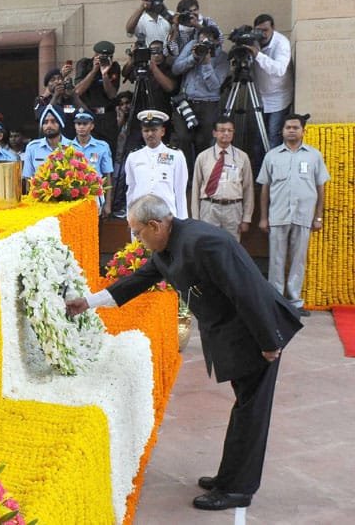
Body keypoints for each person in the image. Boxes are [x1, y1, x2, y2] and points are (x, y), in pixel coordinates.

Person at [65, 194, 303, 512]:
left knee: (252, 412)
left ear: (155, 225)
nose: (137, 239)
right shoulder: (168, 245)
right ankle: (228, 478)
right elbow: (138, 280)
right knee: (245, 407)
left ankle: (238, 489)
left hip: (256, 331)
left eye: (138, 232)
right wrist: (89, 302)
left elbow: (245, 288)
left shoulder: (203, 242)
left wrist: (268, 340)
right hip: (236, 331)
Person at [257, 114, 329, 317]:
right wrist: (263, 217)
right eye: (288, 127)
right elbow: (265, 188)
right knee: (276, 259)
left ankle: (295, 301)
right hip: (278, 215)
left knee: (298, 259)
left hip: (304, 215)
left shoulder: (314, 156)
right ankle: (276, 299)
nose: (291, 130)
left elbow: (320, 187)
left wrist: (318, 216)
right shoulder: (272, 156)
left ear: (303, 131)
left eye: (295, 127)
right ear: (282, 130)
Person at [171, 24, 227, 171]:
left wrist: (207, 63)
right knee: (182, 138)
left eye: (207, 43)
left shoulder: (221, 57)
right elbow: (176, 69)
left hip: (208, 104)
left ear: (216, 42)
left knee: (203, 141)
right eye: (201, 42)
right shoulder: (192, 46)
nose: (203, 46)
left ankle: (202, 176)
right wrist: (194, 57)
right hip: (186, 102)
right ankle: (186, 176)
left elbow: (215, 86)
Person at [191, 116, 254, 241]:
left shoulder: (242, 157)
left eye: (230, 130)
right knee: (208, 245)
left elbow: (248, 188)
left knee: (232, 248)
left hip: (233, 208)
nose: (226, 133)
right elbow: (196, 188)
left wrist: (246, 218)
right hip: (209, 207)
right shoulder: (203, 157)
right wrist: (195, 217)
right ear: (214, 133)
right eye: (222, 130)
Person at [124, 110, 188, 219]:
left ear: (162, 131)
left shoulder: (176, 155)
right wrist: (130, 217)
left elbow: (180, 192)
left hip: (166, 214)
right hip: (140, 214)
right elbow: (131, 189)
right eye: (146, 130)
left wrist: (182, 220)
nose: (150, 134)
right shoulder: (133, 156)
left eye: (154, 130)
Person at [247, 14, 293, 149]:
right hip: (259, 97)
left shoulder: (281, 43)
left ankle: (273, 168)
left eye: (265, 30)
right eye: (259, 30)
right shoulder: (254, 41)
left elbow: (279, 70)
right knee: (258, 138)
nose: (262, 34)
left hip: (279, 97)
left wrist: (257, 55)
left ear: (273, 28)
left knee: (274, 136)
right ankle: (258, 168)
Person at [73, 41, 120, 145]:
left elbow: (112, 94)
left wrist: (105, 75)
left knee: (109, 150)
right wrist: (94, 70)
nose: (105, 60)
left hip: (107, 117)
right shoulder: (84, 64)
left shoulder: (114, 67)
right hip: (89, 115)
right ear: (95, 55)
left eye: (108, 57)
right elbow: (78, 91)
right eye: (101, 57)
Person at [71, 108, 114, 218]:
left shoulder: (102, 146)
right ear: (75, 126)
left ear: (92, 126)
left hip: (96, 198)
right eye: (78, 124)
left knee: (95, 233)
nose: (81, 127)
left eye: (85, 123)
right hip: (73, 197)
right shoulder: (67, 147)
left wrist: (108, 204)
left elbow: (107, 176)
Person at [22, 105, 73, 185]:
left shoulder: (73, 147)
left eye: (53, 121)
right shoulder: (32, 147)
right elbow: (27, 178)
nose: (49, 125)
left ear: (61, 123)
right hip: (38, 195)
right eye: (45, 122)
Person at [33, 67, 80, 139]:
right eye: (53, 80)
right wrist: (55, 96)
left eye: (59, 78)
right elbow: (43, 116)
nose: (57, 82)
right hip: (48, 144)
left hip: (68, 144)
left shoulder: (68, 101)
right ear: (47, 85)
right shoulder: (41, 101)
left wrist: (74, 96)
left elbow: (84, 112)